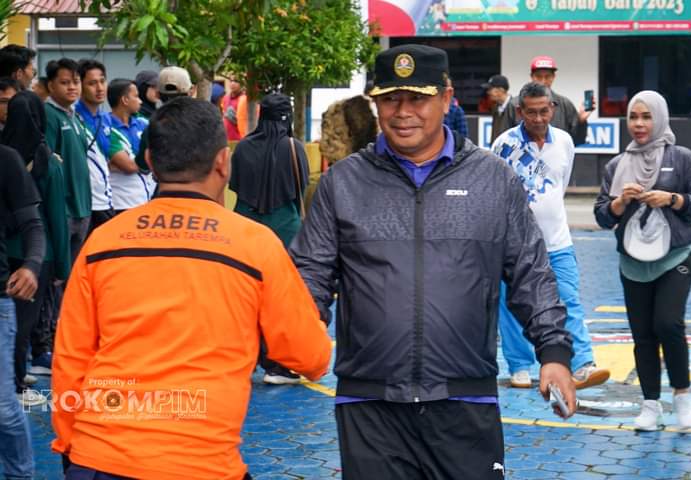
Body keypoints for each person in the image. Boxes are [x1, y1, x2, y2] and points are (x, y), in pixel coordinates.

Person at [290, 44, 576, 479]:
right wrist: (292, 334)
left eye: (417, 98)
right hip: (369, 404)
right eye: (390, 99)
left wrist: (553, 352)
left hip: (465, 399)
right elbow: (310, 275)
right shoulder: (343, 183)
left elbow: (530, 273)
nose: (403, 112)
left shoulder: (493, 179)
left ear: (446, 98)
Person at [51, 97, 332, 480]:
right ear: (223, 162)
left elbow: (71, 359)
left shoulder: (103, 242)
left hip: (99, 455)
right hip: (200, 463)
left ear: (149, 160)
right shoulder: (255, 246)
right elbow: (311, 357)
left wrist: (70, 445)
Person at [594, 90, 691, 431]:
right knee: (642, 334)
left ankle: (682, 396)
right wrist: (619, 203)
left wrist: (673, 198)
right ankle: (650, 404)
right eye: (633, 117)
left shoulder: (683, 158)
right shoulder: (616, 165)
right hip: (633, 262)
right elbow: (602, 216)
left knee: (668, 324)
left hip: (676, 257)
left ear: (659, 118)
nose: (639, 124)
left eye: (646, 117)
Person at [492, 82, 610, 390]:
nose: (538, 119)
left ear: (553, 109)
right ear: (520, 111)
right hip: (514, 244)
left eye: (544, 111)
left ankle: (582, 363)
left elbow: (560, 185)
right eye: (531, 112)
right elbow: (495, 192)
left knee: (569, 299)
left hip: (558, 242)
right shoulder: (504, 144)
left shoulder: (565, 142)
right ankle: (519, 365)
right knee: (510, 305)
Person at [230, 93, 310, 385]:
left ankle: (243, 359)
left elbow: (235, 184)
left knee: (243, 296)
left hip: (245, 227)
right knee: (281, 299)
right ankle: (278, 365)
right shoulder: (294, 148)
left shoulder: (243, 147)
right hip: (285, 228)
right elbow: (301, 187)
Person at [2, 91, 71, 405]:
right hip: (37, 255)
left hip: (6, 251)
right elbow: (57, 218)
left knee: (8, 322)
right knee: (23, 324)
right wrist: (63, 267)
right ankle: (16, 384)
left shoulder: (6, 155)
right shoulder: (49, 162)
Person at [0, 143, 45, 480]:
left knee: (2, 406)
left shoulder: (6, 159)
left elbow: (32, 224)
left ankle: (21, 475)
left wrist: (31, 265)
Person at [44, 58, 91, 263]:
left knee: (75, 271)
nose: (72, 87)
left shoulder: (76, 116)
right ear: (50, 85)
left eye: (76, 82)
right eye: (65, 82)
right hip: (63, 208)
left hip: (83, 206)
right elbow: (48, 162)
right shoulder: (48, 114)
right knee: (59, 272)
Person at [76, 59, 114, 232]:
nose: (99, 88)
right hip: (82, 204)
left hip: (105, 200)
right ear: (80, 86)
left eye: (102, 81)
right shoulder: (73, 116)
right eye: (92, 83)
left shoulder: (106, 118)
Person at [107, 78, 155, 212]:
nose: (140, 101)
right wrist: (149, 164)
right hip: (121, 204)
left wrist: (114, 166)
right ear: (125, 100)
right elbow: (129, 166)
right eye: (136, 96)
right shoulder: (107, 128)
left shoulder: (143, 122)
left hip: (146, 200)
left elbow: (163, 155)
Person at [526, 56, 593, 146]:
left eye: (547, 76)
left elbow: (576, 141)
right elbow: (508, 140)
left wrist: (580, 121)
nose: (543, 81)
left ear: (553, 77)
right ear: (532, 77)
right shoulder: (515, 105)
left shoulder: (565, 105)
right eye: (538, 76)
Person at [487, 74, 514, 143]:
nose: (488, 92)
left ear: (501, 90)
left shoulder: (515, 107)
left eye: (490, 89)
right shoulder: (495, 108)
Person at [222, 75, 249, 141]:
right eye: (231, 81)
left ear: (242, 84)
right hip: (226, 139)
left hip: (241, 139)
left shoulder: (245, 99)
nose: (233, 83)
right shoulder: (225, 98)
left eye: (236, 81)